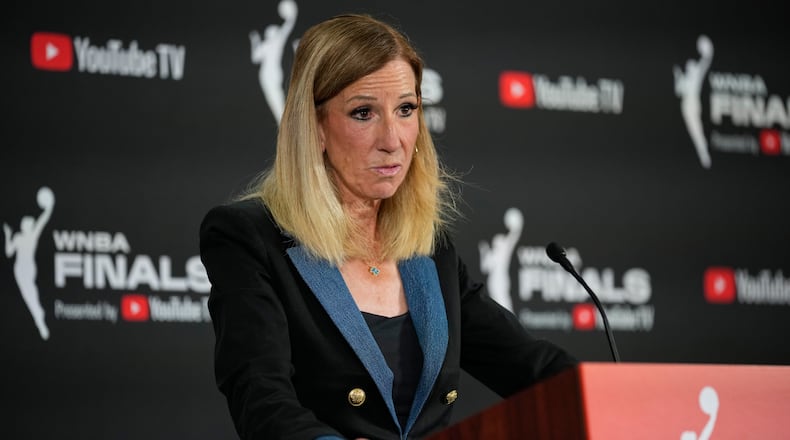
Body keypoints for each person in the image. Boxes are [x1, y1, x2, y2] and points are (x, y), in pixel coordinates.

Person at [200, 14, 577, 440]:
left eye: (406, 109)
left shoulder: (429, 248)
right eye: (364, 113)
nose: (393, 138)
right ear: (315, 126)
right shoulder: (248, 237)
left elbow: (531, 366)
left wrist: (622, 397)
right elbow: (260, 397)